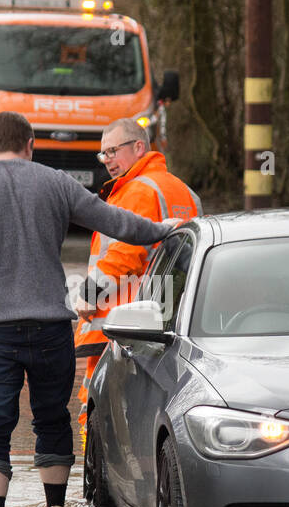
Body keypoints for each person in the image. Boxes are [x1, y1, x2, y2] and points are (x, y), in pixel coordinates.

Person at [0, 111, 178, 507]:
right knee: (53, 420)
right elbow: (119, 223)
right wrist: (163, 230)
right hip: (51, 328)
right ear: (30, 144)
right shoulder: (56, 182)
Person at [73, 118, 201, 437]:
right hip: (175, 321)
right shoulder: (187, 193)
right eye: (103, 154)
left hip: (125, 325)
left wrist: (89, 294)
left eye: (113, 151)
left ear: (139, 147)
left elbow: (124, 255)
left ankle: (97, 484)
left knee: (103, 412)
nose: (108, 161)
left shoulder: (136, 191)